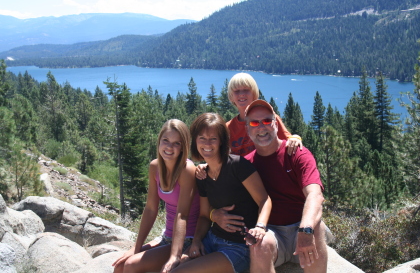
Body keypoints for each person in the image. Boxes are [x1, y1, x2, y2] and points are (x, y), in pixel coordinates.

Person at [209, 100, 327, 273]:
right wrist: (213, 213)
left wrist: (306, 228)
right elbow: (219, 190)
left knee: (315, 227)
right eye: (254, 123)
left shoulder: (296, 153)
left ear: (275, 124)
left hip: (299, 227)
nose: (261, 127)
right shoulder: (246, 164)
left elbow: (315, 195)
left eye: (266, 121)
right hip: (272, 232)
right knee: (258, 243)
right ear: (248, 130)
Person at [170, 113, 272, 273]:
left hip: (239, 246)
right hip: (211, 239)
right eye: (201, 138)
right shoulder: (203, 175)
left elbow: (264, 200)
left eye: (213, 139)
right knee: (178, 266)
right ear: (195, 141)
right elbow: (204, 215)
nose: (207, 144)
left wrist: (260, 227)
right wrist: (196, 241)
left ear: (222, 141)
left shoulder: (238, 166)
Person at [112, 119, 200, 273]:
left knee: (132, 265)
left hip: (187, 239)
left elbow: (182, 214)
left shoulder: (187, 169)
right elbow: (151, 209)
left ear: (183, 147)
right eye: (165, 140)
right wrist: (136, 247)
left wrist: (175, 256)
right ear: (159, 141)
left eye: (176, 143)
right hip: (166, 236)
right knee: (120, 267)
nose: (169, 147)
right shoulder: (155, 167)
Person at [226, 72, 302, 156]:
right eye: (236, 91)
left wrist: (296, 138)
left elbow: (289, 140)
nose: (241, 94)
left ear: (254, 93)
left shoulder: (270, 120)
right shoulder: (228, 128)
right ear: (231, 96)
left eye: (246, 90)